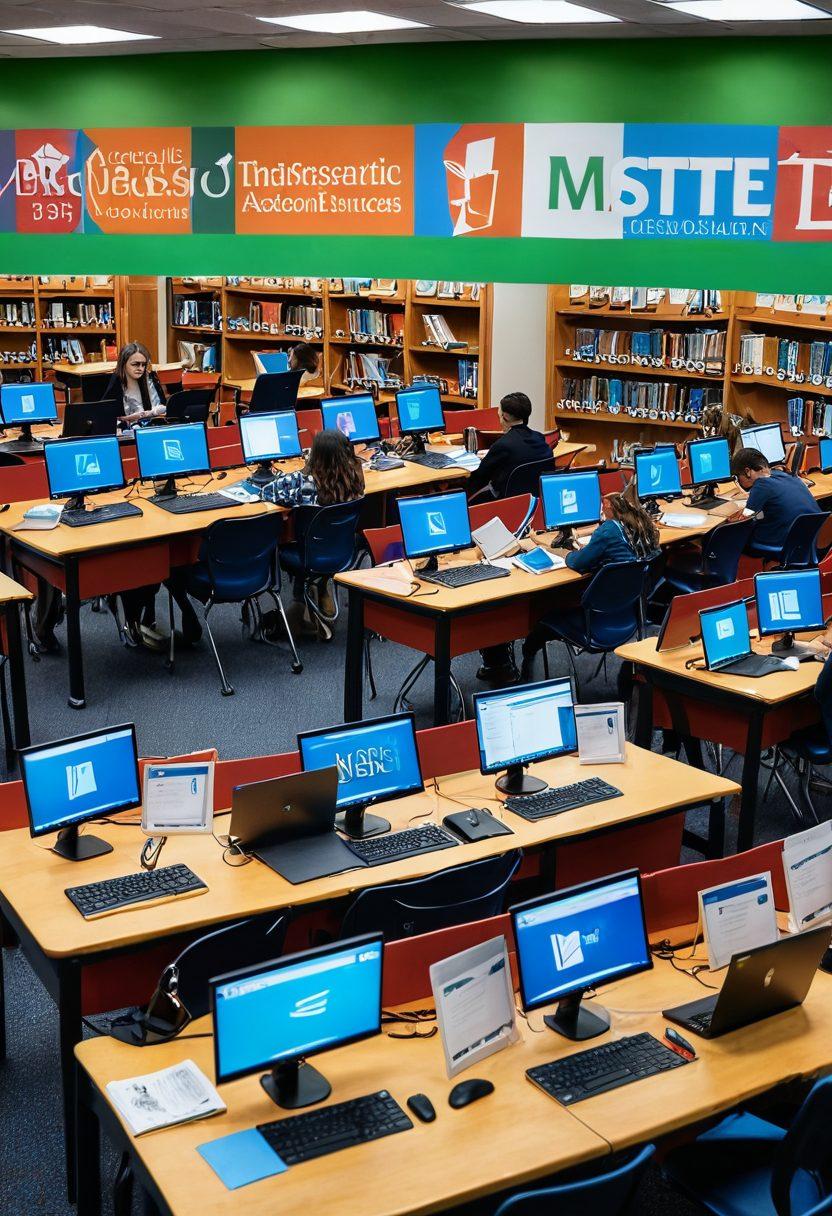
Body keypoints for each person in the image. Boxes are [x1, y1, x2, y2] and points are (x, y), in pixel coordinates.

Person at [519, 490, 660, 682]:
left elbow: (576, 562)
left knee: (542, 619)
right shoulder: (641, 527)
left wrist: (556, 551)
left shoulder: (609, 529)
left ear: (609, 506)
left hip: (594, 624)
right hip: (630, 618)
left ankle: (526, 666)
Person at [265, 428, 364, 638]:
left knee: (284, 543)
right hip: (341, 551)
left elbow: (267, 491)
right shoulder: (355, 480)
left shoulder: (303, 483)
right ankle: (319, 587)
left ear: (316, 455)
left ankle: (301, 603)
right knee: (315, 538)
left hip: (309, 553)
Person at [730, 447, 821, 554]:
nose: (739, 482)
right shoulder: (788, 476)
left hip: (783, 543)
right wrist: (753, 514)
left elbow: (746, 520)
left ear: (747, 472)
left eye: (738, 478)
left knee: (733, 538)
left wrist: (732, 520)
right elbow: (766, 513)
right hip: (811, 539)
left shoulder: (761, 484)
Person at [466, 391, 551, 501]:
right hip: (534, 502)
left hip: (503, 504)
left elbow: (479, 478)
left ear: (504, 416)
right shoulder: (539, 438)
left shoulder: (503, 445)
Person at [103, 342, 167, 424]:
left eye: (143, 365)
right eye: (135, 364)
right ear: (123, 364)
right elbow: (106, 416)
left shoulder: (149, 379)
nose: (140, 369)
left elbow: (162, 409)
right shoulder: (115, 383)